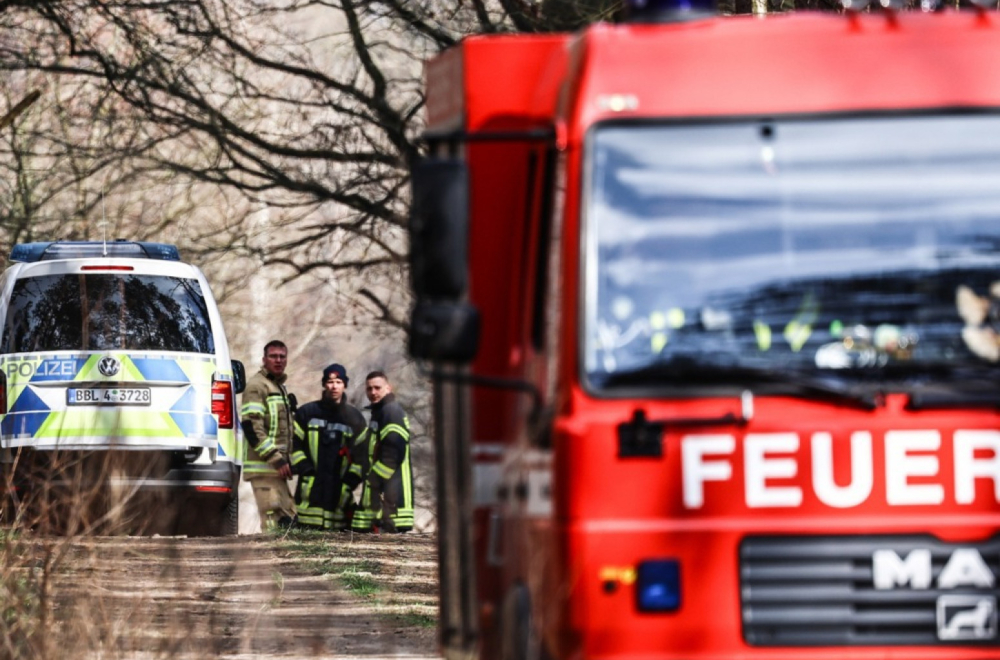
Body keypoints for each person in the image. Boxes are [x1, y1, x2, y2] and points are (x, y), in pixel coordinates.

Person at [290, 363, 367, 531]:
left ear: (344, 385)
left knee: (338, 543)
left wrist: (350, 482)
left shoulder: (355, 419)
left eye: (338, 382)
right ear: (324, 384)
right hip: (310, 490)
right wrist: (305, 468)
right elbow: (294, 445)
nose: (334, 386)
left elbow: (362, 455)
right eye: (330, 381)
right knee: (307, 539)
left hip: (339, 495)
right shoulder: (306, 413)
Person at [240, 339, 296, 531]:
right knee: (274, 520)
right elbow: (251, 426)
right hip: (264, 468)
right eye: (273, 356)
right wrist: (276, 458)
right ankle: (270, 559)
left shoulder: (277, 387)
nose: (278, 360)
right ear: (264, 359)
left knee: (287, 517)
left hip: (276, 469)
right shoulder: (257, 386)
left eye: (282, 356)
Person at [351, 370, 414, 533]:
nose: (373, 392)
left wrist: (375, 479)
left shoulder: (390, 412)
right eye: (369, 389)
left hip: (392, 493)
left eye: (377, 388)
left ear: (388, 388)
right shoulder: (379, 413)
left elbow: (393, 453)